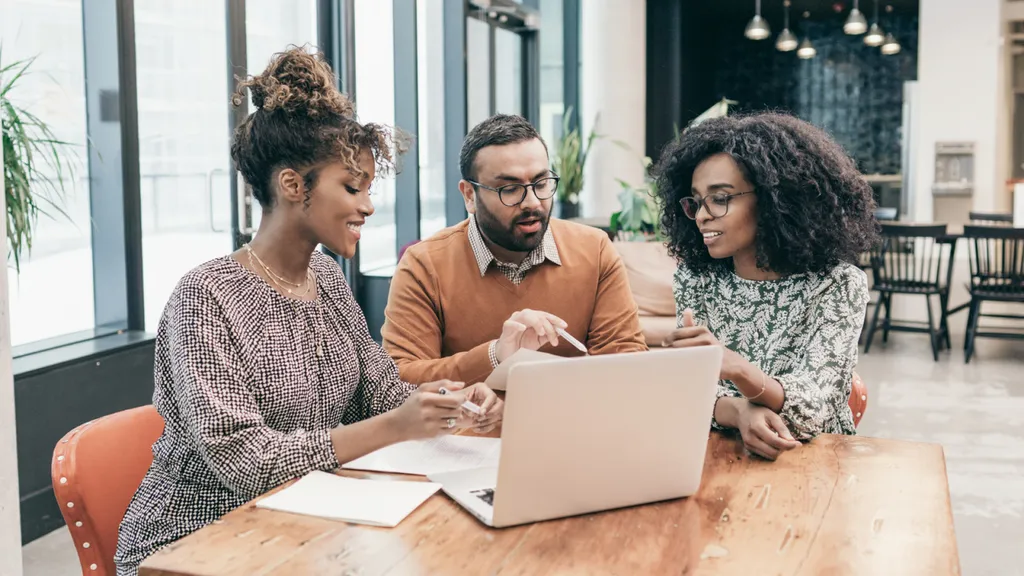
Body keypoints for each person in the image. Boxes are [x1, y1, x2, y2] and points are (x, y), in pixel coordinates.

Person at [114, 48, 502, 575]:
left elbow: (381, 394)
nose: (367, 205)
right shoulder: (203, 298)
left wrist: (443, 400)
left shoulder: (328, 282)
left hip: (308, 520)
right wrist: (396, 426)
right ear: (294, 186)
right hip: (196, 543)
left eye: (368, 188)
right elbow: (246, 462)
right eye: (351, 187)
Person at [653, 112, 877, 461]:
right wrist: (742, 412)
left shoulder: (837, 285)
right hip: (719, 452)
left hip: (814, 460)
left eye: (721, 198)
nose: (701, 215)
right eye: (695, 201)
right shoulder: (697, 280)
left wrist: (738, 370)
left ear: (776, 200)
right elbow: (689, 392)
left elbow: (813, 409)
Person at [381, 114, 647, 385]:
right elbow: (400, 380)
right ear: (469, 195)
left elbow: (625, 361)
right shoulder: (424, 265)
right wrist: (495, 356)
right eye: (510, 189)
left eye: (541, 183)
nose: (532, 202)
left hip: (571, 423)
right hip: (466, 427)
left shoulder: (596, 250)